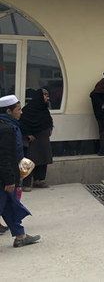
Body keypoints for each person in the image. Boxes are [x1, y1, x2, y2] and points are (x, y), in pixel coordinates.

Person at [0, 95, 40, 248]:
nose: (21, 112)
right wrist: (10, 180)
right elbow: (6, 157)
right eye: (18, 109)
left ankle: (20, 236)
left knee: (10, 205)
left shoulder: (8, 125)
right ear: (8, 111)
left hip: (6, 174)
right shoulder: (7, 129)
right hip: (5, 176)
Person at [19, 88, 53, 191]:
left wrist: (50, 128)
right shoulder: (28, 110)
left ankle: (38, 180)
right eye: (45, 95)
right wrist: (28, 134)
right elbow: (21, 123)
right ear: (39, 96)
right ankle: (27, 183)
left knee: (43, 158)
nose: (48, 97)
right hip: (32, 140)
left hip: (43, 138)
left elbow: (48, 120)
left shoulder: (44, 109)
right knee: (30, 160)